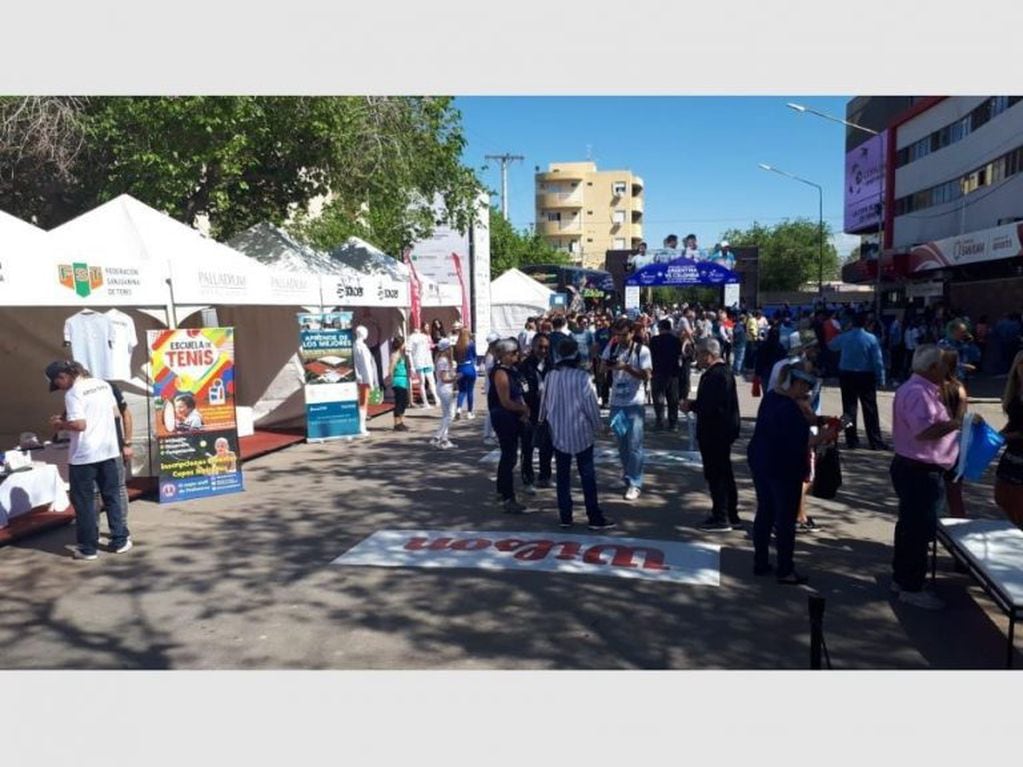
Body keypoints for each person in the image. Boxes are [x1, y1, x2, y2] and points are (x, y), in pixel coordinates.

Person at [889, 345, 964, 610]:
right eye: (944, 365)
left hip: (917, 468)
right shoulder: (918, 393)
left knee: (911, 526)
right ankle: (911, 585)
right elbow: (924, 431)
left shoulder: (921, 390)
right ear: (932, 367)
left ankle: (904, 578)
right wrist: (955, 423)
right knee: (917, 530)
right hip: (919, 469)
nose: (947, 370)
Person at [748, 363, 833, 584]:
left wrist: (816, 420)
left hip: (761, 462)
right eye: (804, 386)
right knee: (785, 520)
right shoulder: (789, 408)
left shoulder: (771, 399)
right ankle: (785, 569)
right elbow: (805, 441)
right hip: (783, 468)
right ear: (793, 383)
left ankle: (761, 561)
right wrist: (828, 433)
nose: (806, 392)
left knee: (764, 512)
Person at [45, 360, 131, 560]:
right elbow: (116, 414)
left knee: (84, 502)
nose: (59, 388)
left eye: (58, 383)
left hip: (84, 456)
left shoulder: (73, 393)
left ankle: (88, 548)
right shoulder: (103, 384)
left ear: (63, 376)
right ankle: (120, 540)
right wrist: (120, 443)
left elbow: (80, 424)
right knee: (112, 497)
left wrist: (61, 424)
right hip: (108, 451)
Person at [539, 337, 615, 530]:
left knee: (563, 478)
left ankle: (566, 516)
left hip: (558, 431)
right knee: (587, 476)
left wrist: (541, 421)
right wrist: (600, 427)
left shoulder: (550, 375)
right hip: (581, 432)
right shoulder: (582, 377)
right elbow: (591, 407)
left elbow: (544, 404)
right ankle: (593, 516)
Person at [682, 338, 742, 532]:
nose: (696, 358)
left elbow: (711, 406)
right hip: (719, 431)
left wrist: (692, 405)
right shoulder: (718, 373)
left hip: (716, 432)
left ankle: (722, 516)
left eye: (699, 354)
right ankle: (729, 513)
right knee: (722, 472)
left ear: (709, 355)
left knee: (717, 474)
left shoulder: (717, 375)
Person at [602, 318, 652, 500]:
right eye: (617, 335)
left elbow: (646, 375)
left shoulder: (642, 350)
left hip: (634, 403)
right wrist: (607, 364)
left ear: (632, 333)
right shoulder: (613, 346)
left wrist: (627, 368)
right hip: (617, 402)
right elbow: (601, 368)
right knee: (622, 443)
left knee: (635, 444)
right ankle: (626, 474)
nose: (620, 338)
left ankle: (636, 483)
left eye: (623, 335)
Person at [829, 312, 887, 450]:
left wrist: (842, 331)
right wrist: (881, 378)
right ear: (866, 323)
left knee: (848, 408)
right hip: (866, 376)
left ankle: (851, 441)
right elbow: (878, 361)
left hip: (846, 375)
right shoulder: (872, 339)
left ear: (851, 323)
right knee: (870, 409)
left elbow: (831, 346)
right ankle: (875, 441)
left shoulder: (844, 337)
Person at [489, 339, 532, 514]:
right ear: (503, 355)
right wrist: (523, 409)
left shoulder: (513, 370)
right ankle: (507, 496)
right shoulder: (500, 373)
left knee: (510, 455)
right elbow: (505, 401)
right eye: (513, 352)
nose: (517, 355)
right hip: (504, 418)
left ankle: (502, 491)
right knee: (509, 456)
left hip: (514, 417)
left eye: (517, 351)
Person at [518, 332, 553, 494]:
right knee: (528, 446)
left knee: (547, 445)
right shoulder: (525, 366)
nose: (543, 350)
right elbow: (521, 388)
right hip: (530, 409)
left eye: (546, 347)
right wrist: (533, 394)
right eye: (540, 347)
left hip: (548, 410)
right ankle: (527, 478)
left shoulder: (551, 364)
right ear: (533, 347)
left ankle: (545, 476)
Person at [995, 350, 1023, 528]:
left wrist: (1005, 436)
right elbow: (1013, 422)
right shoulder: (1015, 390)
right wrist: (996, 435)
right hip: (1012, 452)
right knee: (1002, 495)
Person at [940, 349, 969, 518]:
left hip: (935, 445)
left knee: (932, 493)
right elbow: (962, 417)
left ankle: (928, 533)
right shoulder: (959, 388)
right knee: (955, 493)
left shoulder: (932, 388)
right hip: (955, 444)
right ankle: (960, 530)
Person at [649, 318, 682, 432]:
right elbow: (679, 354)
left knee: (658, 399)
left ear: (660, 328)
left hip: (658, 371)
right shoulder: (676, 340)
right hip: (673, 373)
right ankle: (673, 423)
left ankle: (660, 422)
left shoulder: (654, 340)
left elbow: (651, 354)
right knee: (673, 399)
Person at [431, 338, 458, 449]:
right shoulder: (443, 360)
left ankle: (444, 440)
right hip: (445, 388)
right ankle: (437, 437)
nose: (452, 349)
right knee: (449, 415)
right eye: (450, 347)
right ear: (447, 348)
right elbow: (443, 378)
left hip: (445, 388)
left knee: (446, 415)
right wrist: (455, 378)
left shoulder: (443, 359)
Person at [353, 325, 378, 436]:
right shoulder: (361, 347)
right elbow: (366, 365)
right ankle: (361, 427)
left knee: (362, 402)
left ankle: (361, 426)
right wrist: (370, 381)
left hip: (360, 377)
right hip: (364, 378)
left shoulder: (355, 345)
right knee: (363, 403)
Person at [407, 322, 438, 409]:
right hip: (418, 362)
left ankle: (436, 398)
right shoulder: (411, 338)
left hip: (427, 361)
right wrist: (412, 365)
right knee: (422, 382)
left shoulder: (424, 337)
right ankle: (425, 402)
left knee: (431, 380)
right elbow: (409, 352)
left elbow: (428, 350)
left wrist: (431, 362)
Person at [387, 336, 412, 432]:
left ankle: (401, 422)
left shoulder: (401, 354)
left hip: (403, 380)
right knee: (399, 402)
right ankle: (397, 423)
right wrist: (391, 379)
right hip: (398, 381)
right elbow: (391, 368)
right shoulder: (395, 355)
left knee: (404, 402)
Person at [453, 328, 477, 420]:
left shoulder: (457, 345)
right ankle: (469, 412)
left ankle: (458, 409)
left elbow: (455, 358)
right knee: (470, 391)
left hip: (460, 368)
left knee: (462, 391)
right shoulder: (471, 344)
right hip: (469, 367)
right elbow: (474, 355)